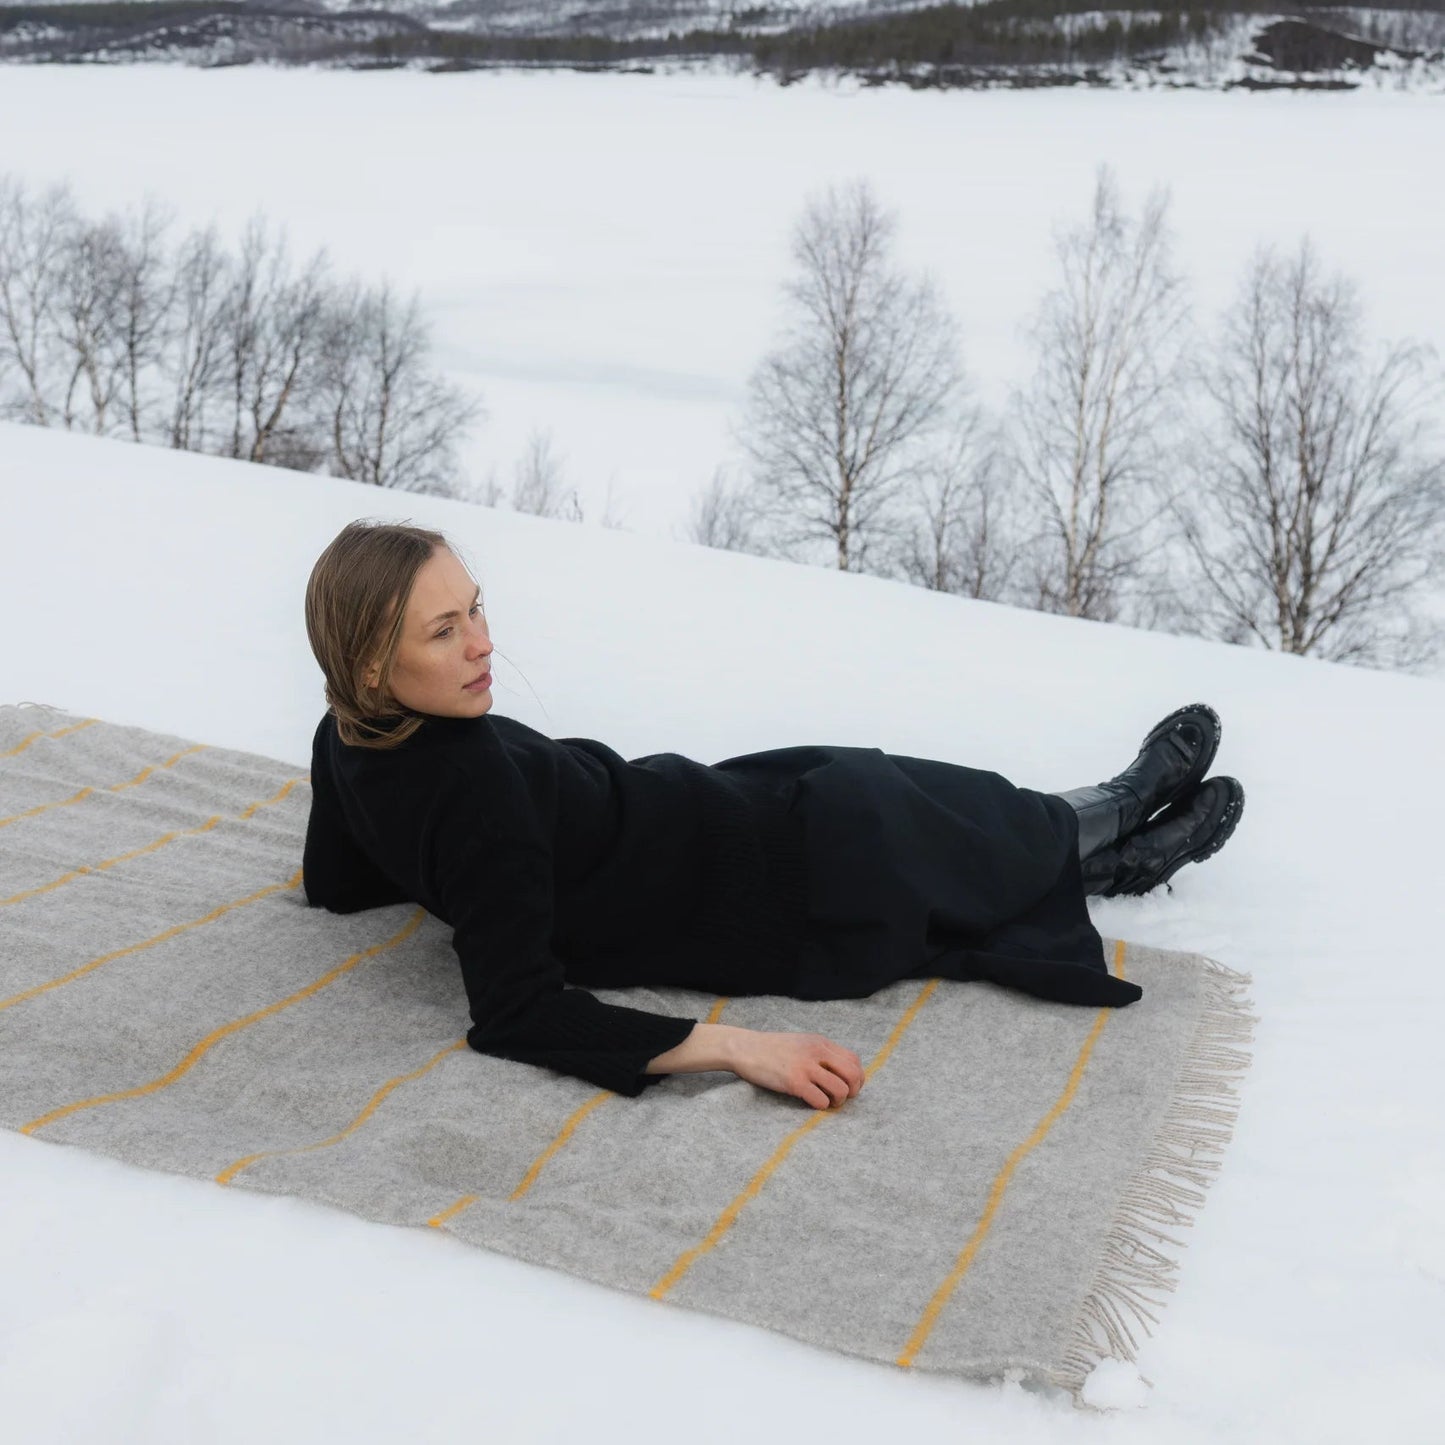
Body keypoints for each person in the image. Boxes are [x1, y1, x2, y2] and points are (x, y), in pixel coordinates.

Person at [301, 520, 1244, 1113]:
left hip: (699, 808)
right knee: (910, 815)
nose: (482, 641)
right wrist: (739, 1046)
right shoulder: (478, 803)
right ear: (371, 665)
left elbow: (337, 884)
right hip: (769, 882)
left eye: (474, 609)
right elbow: (517, 1014)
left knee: (907, 794)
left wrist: (460, 873)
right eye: (443, 630)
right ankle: (1109, 825)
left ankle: (1092, 835)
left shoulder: (348, 736)